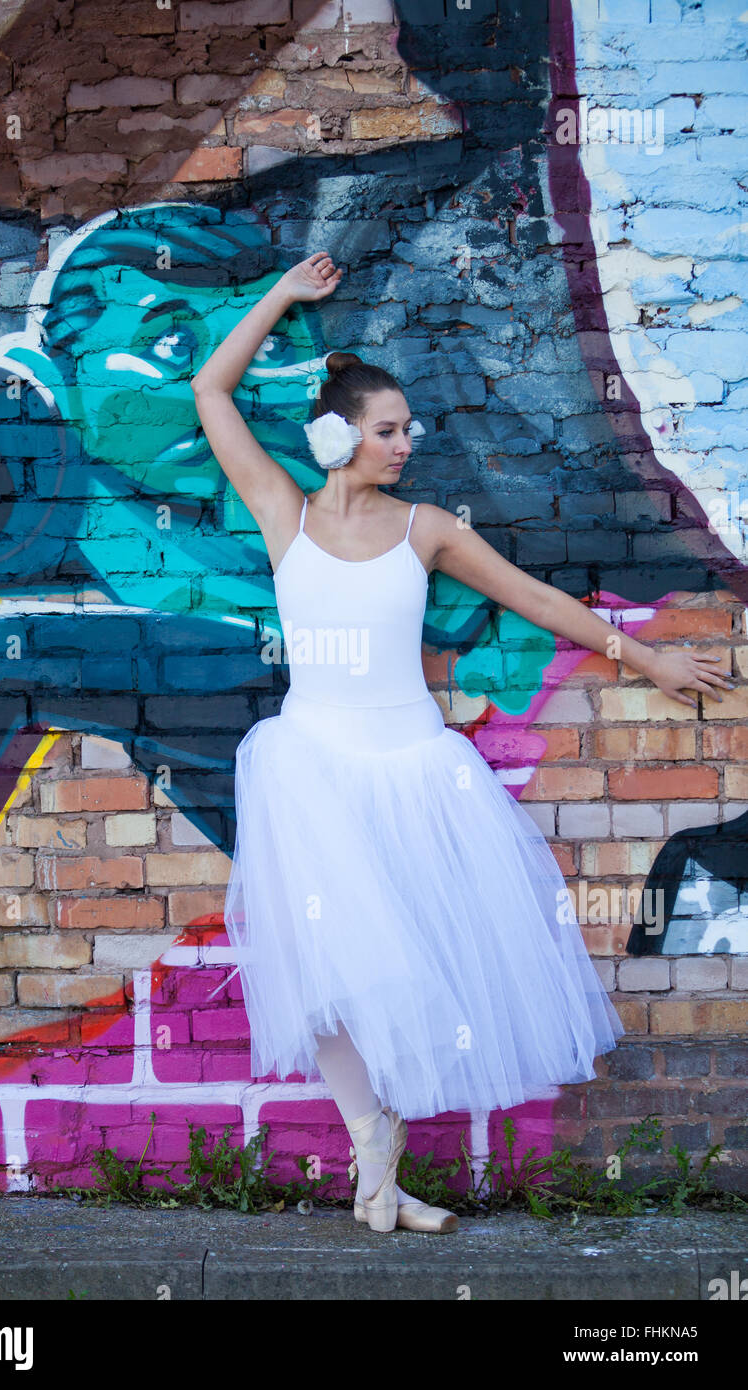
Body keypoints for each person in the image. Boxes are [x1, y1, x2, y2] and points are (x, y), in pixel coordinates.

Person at [190, 252, 730, 1235]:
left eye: (406, 428)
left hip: (416, 775)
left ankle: (379, 1175)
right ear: (335, 435)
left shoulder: (426, 527)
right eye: (388, 429)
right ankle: (376, 1157)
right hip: (311, 774)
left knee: (413, 964)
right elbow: (209, 387)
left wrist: (644, 659)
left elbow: (528, 596)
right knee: (331, 983)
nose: (406, 442)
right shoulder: (286, 514)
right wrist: (278, 295)